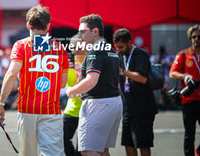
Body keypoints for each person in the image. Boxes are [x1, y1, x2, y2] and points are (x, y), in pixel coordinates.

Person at [0, 4, 69, 156]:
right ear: (48, 25)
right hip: (51, 109)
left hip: (27, 109)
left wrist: (1, 103)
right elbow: (62, 84)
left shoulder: (21, 45)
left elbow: (11, 75)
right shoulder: (60, 48)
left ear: (28, 24)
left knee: (27, 153)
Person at [66, 14, 123, 156]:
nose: (80, 36)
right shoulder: (110, 50)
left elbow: (92, 80)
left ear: (95, 31)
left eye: (82, 31)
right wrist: (83, 91)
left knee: (87, 150)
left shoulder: (95, 50)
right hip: (113, 102)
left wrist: (72, 90)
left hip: (99, 104)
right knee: (103, 150)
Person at [170, 24, 200, 156]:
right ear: (190, 38)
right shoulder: (183, 55)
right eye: (193, 37)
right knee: (189, 134)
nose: (196, 39)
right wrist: (184, 76)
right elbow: (172, 73)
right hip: (188, 99)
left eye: (199, 37)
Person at [113, 28, 157, 156]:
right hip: (128, 107)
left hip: (143, 107)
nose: (119, 50)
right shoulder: (120, 56)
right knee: (128, 143)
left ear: (129, 42)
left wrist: (123, 71)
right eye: (117, 47)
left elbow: (143, 79)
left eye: (121, 47)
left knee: (143, 144)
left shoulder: (140, 55)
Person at [63, 34, 86, 156]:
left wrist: (82, 69)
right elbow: (67, 84)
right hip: (71, 109)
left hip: (87, 110)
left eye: (79, 46)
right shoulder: (69, 64)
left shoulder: (91, 61)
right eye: (74, 47)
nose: (76, 50)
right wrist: (65, 70)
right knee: (62, 140)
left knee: (81, 148)